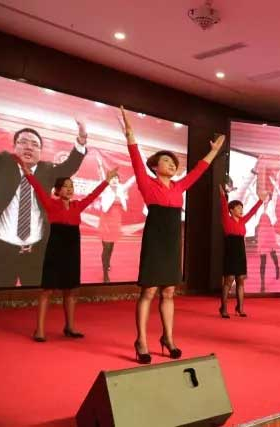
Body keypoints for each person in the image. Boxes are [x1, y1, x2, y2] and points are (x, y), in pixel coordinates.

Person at [120, 107, 225, 363]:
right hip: (155, 240)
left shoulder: (179, 186)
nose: (172, 164)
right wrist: (130, 133)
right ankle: (141, 341)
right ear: (155, 167)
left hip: (172, 242)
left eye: (173, 162)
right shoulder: (146, 182)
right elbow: (135, 157)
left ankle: (168, 338)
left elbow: (199, 170)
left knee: (168, 292)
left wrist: (213, 151)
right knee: (148, 292)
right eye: (166, 161)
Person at [14, 155, 115, 341]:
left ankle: (70, 327)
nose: (69, 189)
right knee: (47, 290)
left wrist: (107, 181)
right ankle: (39, 330)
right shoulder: (50, 203)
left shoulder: (78, 205)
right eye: (65, 186)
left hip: (72, 251)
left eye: (71, 186)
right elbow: (37, 187)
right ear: (57, 191)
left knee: (71, 290)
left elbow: (93, 196)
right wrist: (27, 172)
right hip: (55, 249)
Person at [0, 122, 88, 288]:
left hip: (35, 253)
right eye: (23, 142)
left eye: (35, 144)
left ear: (41, 152)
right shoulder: (3, 163)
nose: (29, 147)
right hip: (1, 251)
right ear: (14, 147)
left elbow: (70, 166)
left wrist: (82, 139)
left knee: (35, 294)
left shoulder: (47, 170)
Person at [219, 185, 265, 318]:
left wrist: (260, 201)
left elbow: (252, 212)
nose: (241, 210)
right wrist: (222, 195)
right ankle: (223, 308)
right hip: (230, 253)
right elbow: (223, 206)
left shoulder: (243, 221)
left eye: (241, 208)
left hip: (240, 253)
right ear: (231, 210)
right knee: (229, 280)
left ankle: (240, 308)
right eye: (238, 208)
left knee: (240, 280)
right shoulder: (226, 219)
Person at [95, 153, 136, 283]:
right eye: (112, 178)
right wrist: (100, 164)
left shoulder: (121, 189)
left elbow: (131, 181)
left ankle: (107, 263)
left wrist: (139, 169)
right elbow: (102, 175)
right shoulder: (105, 188)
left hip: (116, 222)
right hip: (105, 221)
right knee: (106, 247)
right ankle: (105, 273)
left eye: (116, 178)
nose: (114, 180)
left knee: (111, 247)